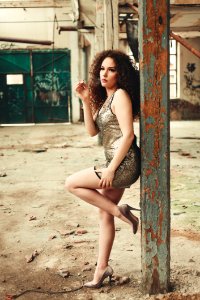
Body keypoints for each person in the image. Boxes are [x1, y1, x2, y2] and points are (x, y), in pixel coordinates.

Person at [65, 49, 141, 288]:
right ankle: (101, 269)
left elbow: (128, 136)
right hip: (115, 164)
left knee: (72, 183)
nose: (104, 74)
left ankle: (122, 212)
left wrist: (110, 171)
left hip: (123, 164)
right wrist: (86, 100)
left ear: (121, 74)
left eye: (111, 69)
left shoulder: (120, 96)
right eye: (102, 69)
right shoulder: (107, 98)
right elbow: (91, 131)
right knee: (103, 213)